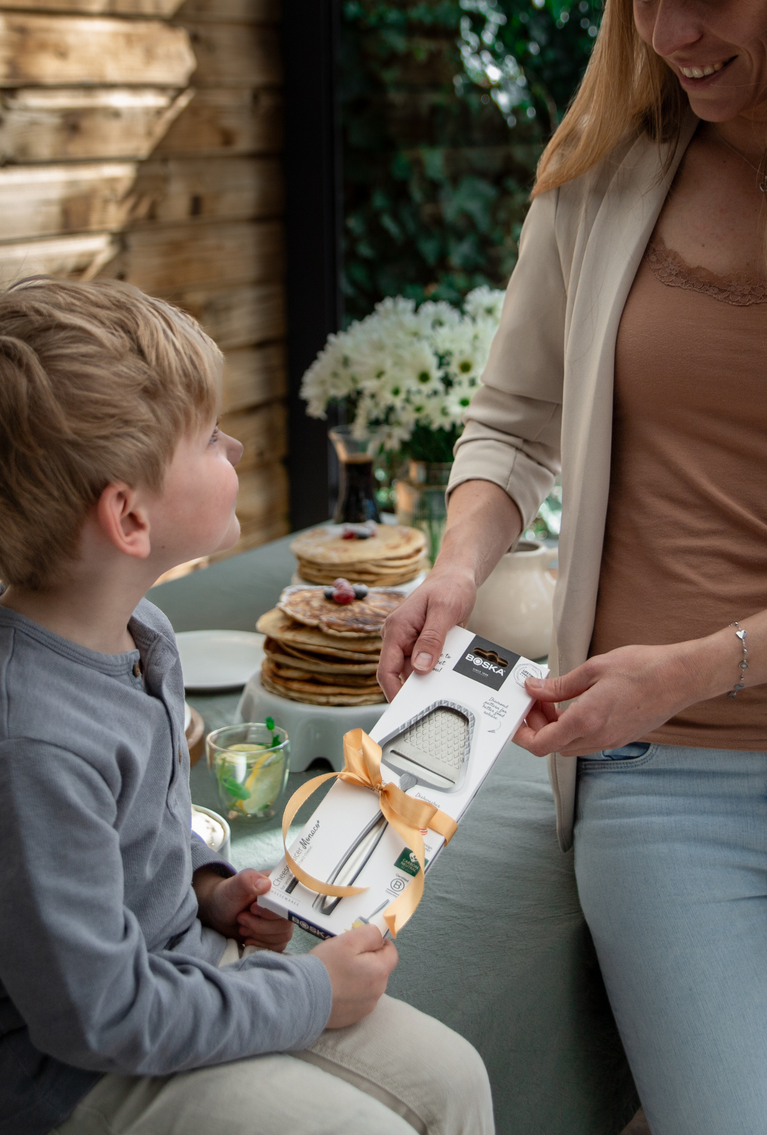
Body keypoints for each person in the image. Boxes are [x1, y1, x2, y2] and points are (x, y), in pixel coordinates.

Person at [378, 2, 767, 1133]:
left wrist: (701, 662)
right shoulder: (600, 171)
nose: (670, 32)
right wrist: (455, 569)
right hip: (662, 782)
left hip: (674, 700)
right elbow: (510, 421)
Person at [0, 277, 494, 1135]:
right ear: (128, 516)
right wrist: (309, 989)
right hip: (82, 1075)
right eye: (205, 437)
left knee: (453, 1077)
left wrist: (203, 884)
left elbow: (130, 840)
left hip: (187, 970)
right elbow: (98, 1013)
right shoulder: (33, 738)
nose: (231, 444)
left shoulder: (143, 632)